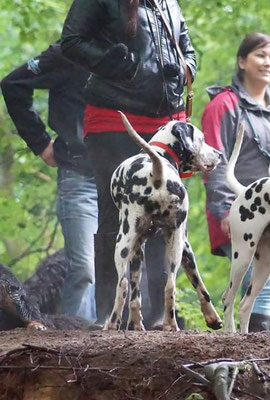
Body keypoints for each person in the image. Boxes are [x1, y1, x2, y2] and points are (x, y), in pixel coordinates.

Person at [60, 0, 197, 328]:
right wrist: (116, 64)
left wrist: (186, 68)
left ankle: (159, 315)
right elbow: (71, 42)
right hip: (114, 117)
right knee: (115, 214)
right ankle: (112, 313)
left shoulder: (169, 2)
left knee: (166, 216)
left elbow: (187, 47)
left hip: (166, 124)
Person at [202, 32, 270, 332]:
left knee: (265, 285)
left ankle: (249, 350)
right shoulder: (223, 105)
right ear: (241, 61)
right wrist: (224, 209)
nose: (268, 62)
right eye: (260, 55)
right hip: (242, 209)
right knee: (266, 283)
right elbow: (214, 161)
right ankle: (254, 351)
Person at [1, 42, 97, 322]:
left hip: (122, 179)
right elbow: (13, 84)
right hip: (78, 176)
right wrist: (41, 142)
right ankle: (81, 346)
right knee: (83, 268)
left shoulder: (135, 49)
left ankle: (111, 342)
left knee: (116, 269)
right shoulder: (66, 53)